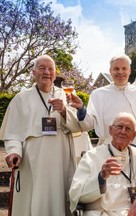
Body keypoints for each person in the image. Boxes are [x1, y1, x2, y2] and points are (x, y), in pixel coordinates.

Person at [0, 55, 81, 216]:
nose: (47, 72)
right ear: (33, 72)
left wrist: (65, 111)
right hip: (32, 162)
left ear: (55, 73)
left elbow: (79, 127)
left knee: (59, 197)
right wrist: (14, 151)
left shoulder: (66, 95)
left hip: (61, 159)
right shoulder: (21, 98)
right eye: (42, 68)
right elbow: (13, 132)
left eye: (51, 68)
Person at [69, 112, 136, 215]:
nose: (123, 131)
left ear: (134, 135)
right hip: (102, 212)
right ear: (110, 130)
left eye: (128, 129)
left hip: (134, 212)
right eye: (119, 126)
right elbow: (76, 193)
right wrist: (101, 178)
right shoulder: (91, 156)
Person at [69, 54, 136, 150]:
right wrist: (81, 108)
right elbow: (89, 124)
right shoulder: (98, 94)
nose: (120, 72)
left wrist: (135, 146)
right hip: (106, 149)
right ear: (110, 71)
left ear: (129, 71)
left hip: (135, 149)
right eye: (116, 68)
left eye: (124, 68)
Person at [54, 75, 93, 163]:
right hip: (59, 140)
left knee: (82, 162)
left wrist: (80, 113)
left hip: (78, 137)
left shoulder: (70, 92)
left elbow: (76, 111)